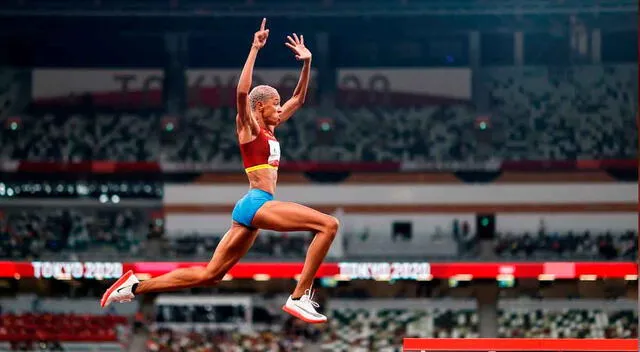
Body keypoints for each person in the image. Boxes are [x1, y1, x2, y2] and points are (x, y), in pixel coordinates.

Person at [100, 18, 338, 324]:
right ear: (259, 108)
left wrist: (306, 64)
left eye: (280, 105)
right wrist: (255, 48)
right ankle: (299, 296)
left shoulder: (271, 129)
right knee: (328, 225)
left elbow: (299, 99)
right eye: (274, 104)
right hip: (257, 203)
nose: (280, 109)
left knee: (211, 274)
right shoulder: (249, 128)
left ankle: (133, 286)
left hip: (249, 208)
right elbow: (242, 93)